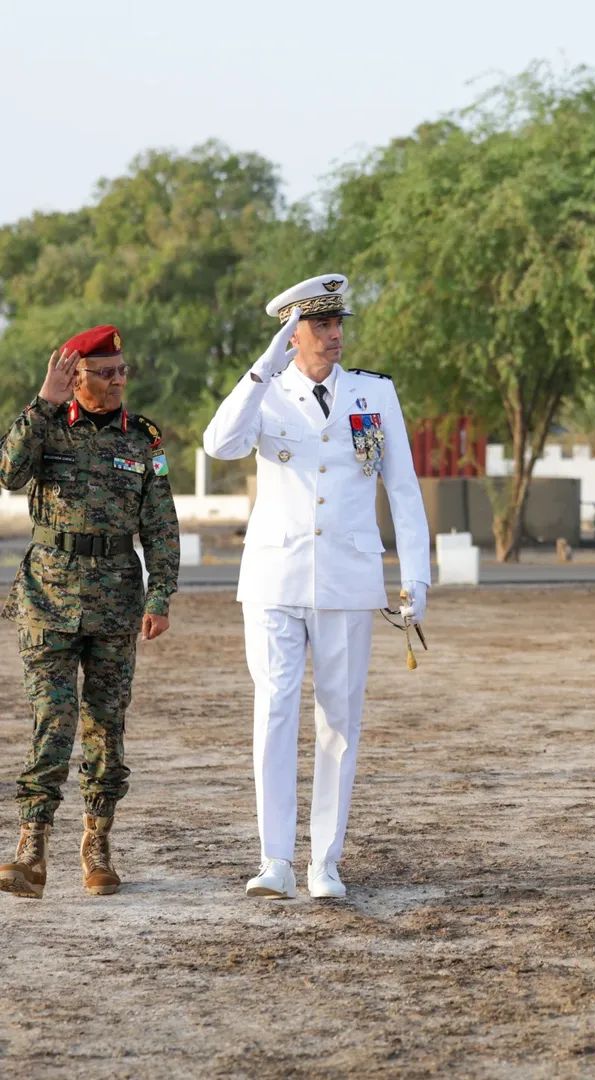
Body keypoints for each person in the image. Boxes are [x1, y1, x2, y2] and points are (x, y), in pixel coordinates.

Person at [203, 273, 431, 900]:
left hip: (349, 578)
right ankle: (274, 858)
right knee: (273, 712)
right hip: (275, 575)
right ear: (291, 333)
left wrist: (415, 573)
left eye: (338, 324)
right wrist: (259, 369)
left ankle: (323, 862)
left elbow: (402, 488)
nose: (333, 336)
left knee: (339, 721)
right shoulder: (265, 392)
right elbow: (219, 443)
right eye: (320, 326)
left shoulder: (374, 394)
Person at [0, 325, 179, 900]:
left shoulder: (142, 440)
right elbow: (7, 473)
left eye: (122, 370)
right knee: (53, 718)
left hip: (114, 601)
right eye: (105, 371)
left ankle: (97, 843)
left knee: (106, 725)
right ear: (74, 375)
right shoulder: (46, 425)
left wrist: (160, 596)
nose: (118, 379)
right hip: (47, 597)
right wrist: (41, 403)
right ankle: (31, 846)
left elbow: (160, 527)